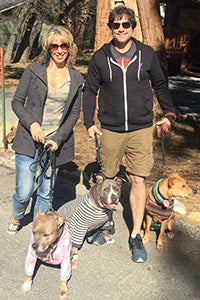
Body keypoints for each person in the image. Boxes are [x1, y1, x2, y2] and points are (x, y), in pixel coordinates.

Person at [82, 6, 176, 263]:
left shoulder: (146, 54)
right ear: (110, 28)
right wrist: (88, 121)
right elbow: (89, 90)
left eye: (125, 24)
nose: (121, 29)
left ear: (133, 27)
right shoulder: (101, 57)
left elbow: (160, 83)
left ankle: (135, 235)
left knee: (138, 180)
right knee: (107, 178)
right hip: (110, 129)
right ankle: (103, 222)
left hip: (141, 128)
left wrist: (168, 112)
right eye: (116, 25)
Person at [7, 26, 84, 234]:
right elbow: (17, 102)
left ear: (69, 47)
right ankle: (16, 216)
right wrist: (32, 123)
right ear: (48, 48)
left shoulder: (76, 79)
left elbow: (74, 113)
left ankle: (38, 233)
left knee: (45, 193)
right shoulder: (34, 71)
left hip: (53, 145)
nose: (59, 49)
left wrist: (59, 138)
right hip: (28, 140)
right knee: (23, 192)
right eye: (54, 45)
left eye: (63, 45)